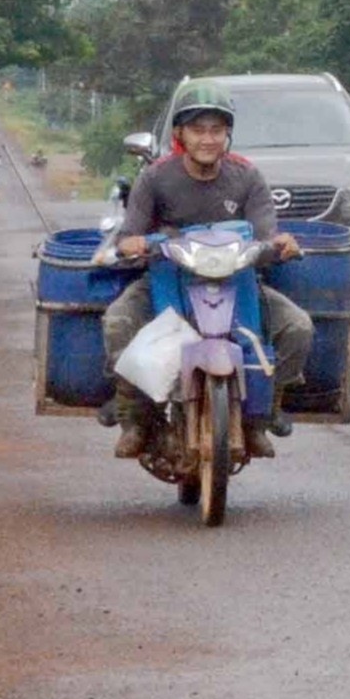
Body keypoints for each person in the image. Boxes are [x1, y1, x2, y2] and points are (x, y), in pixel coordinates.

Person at [102, 81, 313, 460]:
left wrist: (280, 245)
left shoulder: (247, 177)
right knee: (117, 322)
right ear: (179, 133)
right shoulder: (155, 177)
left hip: (238, 284)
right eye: (198, 129)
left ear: (227, 134)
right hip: (167, 280)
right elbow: (130, 233)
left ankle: (260, 416)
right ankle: (135, 418)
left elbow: (267, 235)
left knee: (298, 328)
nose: (208, 139)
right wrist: (132, 243)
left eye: (217, 130)